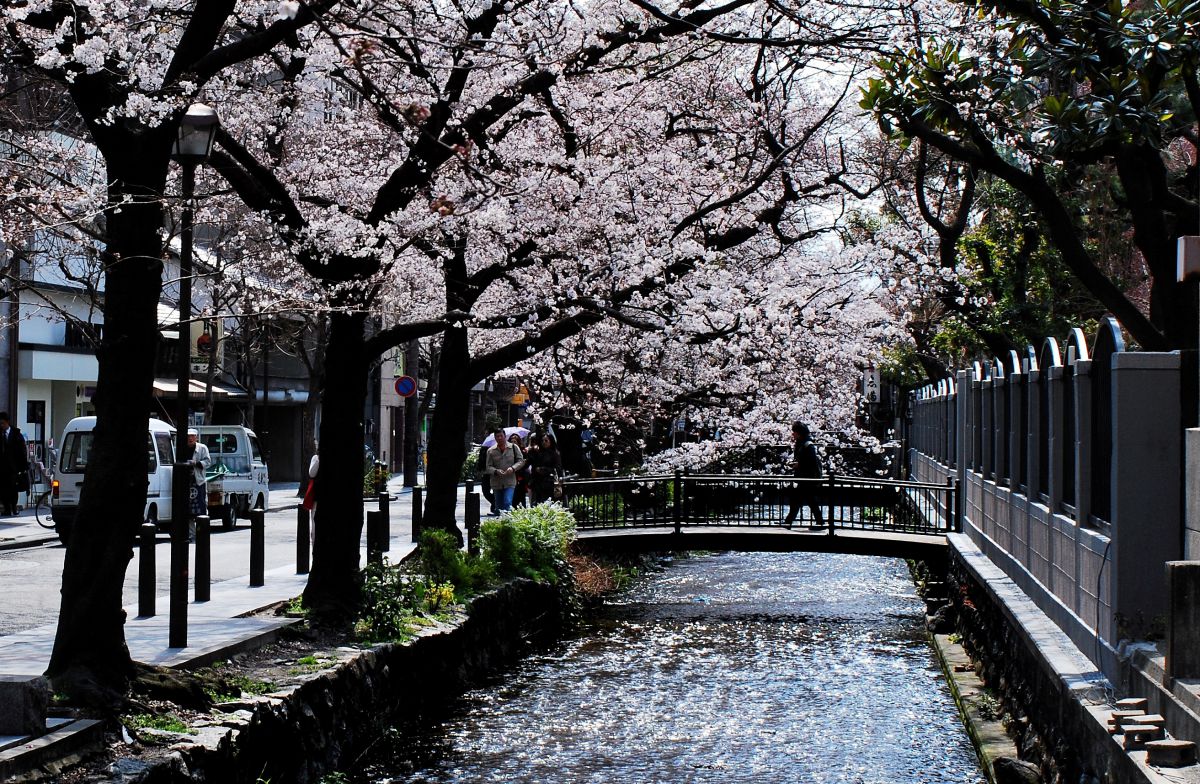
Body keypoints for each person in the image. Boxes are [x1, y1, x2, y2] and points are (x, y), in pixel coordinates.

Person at [783, 421, 823, 530]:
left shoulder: (807, 445)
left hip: (807, 478)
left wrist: (798, 465)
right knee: (809, 501)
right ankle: (820, 522)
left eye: (794, 432)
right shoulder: (801, 443)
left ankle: (788, 522)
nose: (793, 434)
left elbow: (810, 462)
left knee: (797, 501)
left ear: (799, 433)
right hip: (805, 478)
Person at [485, 429, 526, 515]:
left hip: (510, 481)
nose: (499, 438)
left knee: (507, 502)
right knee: (499, 506)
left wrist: (513, 468)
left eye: (501, 436)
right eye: (497, 436)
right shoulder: (491, 451)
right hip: (496, 482)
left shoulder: (514, 447)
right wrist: (495, 471)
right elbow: (488, 467)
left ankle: (508, 522)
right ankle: (500, 524)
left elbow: (521, 461)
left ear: (505, 436)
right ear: (495, 438)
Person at [181, 428, 211, 538]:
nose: (190, 438)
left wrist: (196, 463)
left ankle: (202, 533)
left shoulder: (202, 448)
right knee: (187, 511)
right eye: (188, 436)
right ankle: (191, 534)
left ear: (196, 437)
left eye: (192, 436)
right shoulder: (181, 448)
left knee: (201, 509)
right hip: (186, 482)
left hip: (199, 482)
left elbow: (208, 462)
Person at [0, 413, 28, 516]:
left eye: (2, 423)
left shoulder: (16, 434)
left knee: (13, 488)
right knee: (3, 489)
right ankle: (6, 508)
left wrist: (23, 465)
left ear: (7, 422)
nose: (1, 426)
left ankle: (13, 507)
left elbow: (22, 450)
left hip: (13, 467)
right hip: (2, 467)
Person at [529, 433, 563, 505]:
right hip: (538, 483)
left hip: (550, 483)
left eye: (546, 440)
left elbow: (557, 469)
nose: (543, 442)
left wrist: (543, 469)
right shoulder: (537, 453)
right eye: (542, 441)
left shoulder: (555, 454)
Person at [509, 433, 530, 507]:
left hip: (521, 477)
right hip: (511, 476)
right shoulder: (507, 451)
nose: (513, 443)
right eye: (512, 442)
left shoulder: (523, 451)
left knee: (521, 496)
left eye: (515, 442)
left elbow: (525, 464)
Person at [476, 443, 496, 515]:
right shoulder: (484, 448)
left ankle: (494, 507)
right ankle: (495, 503)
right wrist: (479, 470)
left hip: (495, 473)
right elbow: (480, 460)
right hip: (485, 474)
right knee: (485, 492)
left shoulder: (497, 448)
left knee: (496, 491)